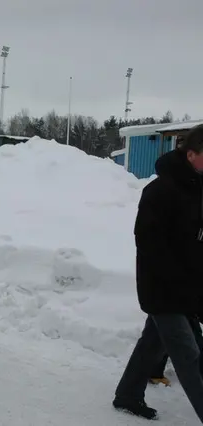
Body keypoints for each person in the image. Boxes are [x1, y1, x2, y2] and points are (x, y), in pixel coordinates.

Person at [112, 124, 203, 421]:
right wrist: (178, 284)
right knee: (190, 356)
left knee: (153, 342)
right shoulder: (161, 190)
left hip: (188, 285)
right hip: (163, 288)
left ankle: (127, 395)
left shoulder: (198, 186)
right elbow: (150, 246)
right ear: (191, 154)